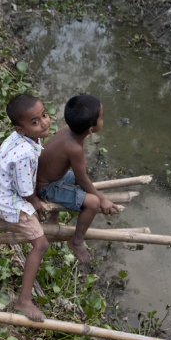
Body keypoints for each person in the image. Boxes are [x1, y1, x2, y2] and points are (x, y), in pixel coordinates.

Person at [0, 94, 51, 322]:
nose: (43, 122)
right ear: (21, 129)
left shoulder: (20, 137)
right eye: (35, 121)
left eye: (44, 115)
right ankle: (24, 300)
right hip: (6, 199)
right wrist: (35, 203)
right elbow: (25, 191)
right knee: (41, 245)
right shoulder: (24, 154)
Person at [36, 94, 120, 264]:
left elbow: (79, 175)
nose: (103, 119)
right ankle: (76, 240)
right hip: (45, 187)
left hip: (45, 178)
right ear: (90, 129)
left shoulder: (67, 132)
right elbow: (83, 180)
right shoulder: (74, 147)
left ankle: (53, 216)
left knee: (76, 175)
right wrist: (102, 199)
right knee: (93, 203)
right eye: (102, 117)